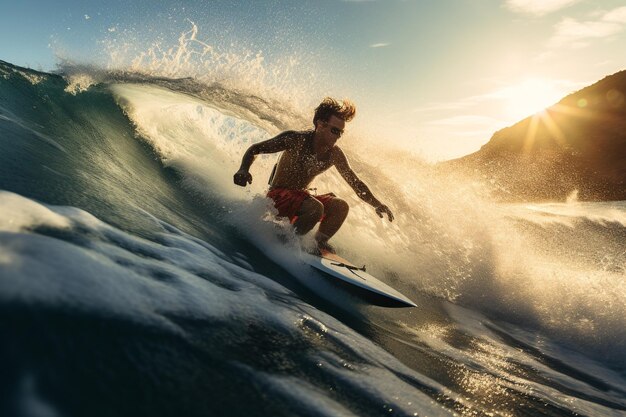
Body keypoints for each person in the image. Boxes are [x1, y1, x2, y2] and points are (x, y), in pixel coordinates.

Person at [233, 97, 394, 253]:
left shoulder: (334, 154)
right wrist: (243, 169)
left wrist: (377, 204)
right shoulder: (295, 139)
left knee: (341, 206)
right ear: (320, 124)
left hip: (302, 199)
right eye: (334, 131)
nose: (337, 136)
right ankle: (287, 243)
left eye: (340, 133)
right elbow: (255, 149)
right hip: (277, 198)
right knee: (315, 207)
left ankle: (319, 242)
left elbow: (356, 183)